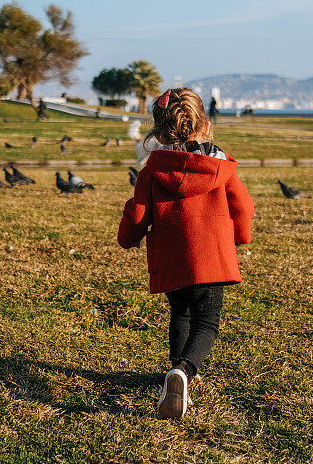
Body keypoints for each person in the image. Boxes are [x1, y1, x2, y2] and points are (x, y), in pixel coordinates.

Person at [117, 87, 254, 420]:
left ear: (159, 131)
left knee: (180, 315)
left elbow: (137, 213)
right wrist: (241, 237)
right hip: (212, 257)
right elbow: (244, 206)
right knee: (206, 324)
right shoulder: (221, 167)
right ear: (205, 124)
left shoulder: (152, 170)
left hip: (172, 257)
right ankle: (183, 372)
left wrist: (127, 237)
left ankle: (174, 380)